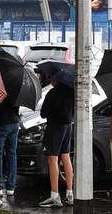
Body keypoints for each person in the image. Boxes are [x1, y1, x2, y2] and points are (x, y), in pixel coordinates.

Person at [38, 78, 74, 208]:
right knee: (66, 157)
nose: (49, 80)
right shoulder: (72, 91)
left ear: (55, 79)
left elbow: (43, 114)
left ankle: (55, 196)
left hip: (54, 127)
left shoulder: (52, 93)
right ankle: (70, 194)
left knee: (52, 160)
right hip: (68, 126)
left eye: (50, 78)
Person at [0, 98, 19, 197]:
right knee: (12, 154)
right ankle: (10, 187)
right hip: (14, 122)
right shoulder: (16, 86)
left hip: (0, 123)